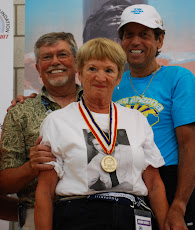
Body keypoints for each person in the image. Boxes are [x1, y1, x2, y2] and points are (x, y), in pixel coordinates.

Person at [34, 37, 168, 230]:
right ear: (79, 73)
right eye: (92, 69)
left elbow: (154, 183)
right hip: (80, 217)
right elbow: (45, 191)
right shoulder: (57, 121)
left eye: (109, 70)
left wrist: (165, 224)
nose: (100, 77)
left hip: (133, 216)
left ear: (119, 77)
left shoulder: (137, 119)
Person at [112, 4, 195, 230]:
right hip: (122, 186)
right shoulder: (111, 83)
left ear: (159, 41)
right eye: (129, 35)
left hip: (169, 181)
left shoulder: (179, 78)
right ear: (121, 41)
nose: (135, 42)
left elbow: (189, 145)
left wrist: (179, 205)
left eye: (144, 35)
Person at [0, 32, 82, 230]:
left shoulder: (99, 106)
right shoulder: (20, 113)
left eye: (62, 54)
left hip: (92, 211)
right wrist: (32, 166)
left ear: (77, 62)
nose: (55, 62)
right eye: (47, 57)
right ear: (38, 68)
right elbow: (3, 184)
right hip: (36, 214)